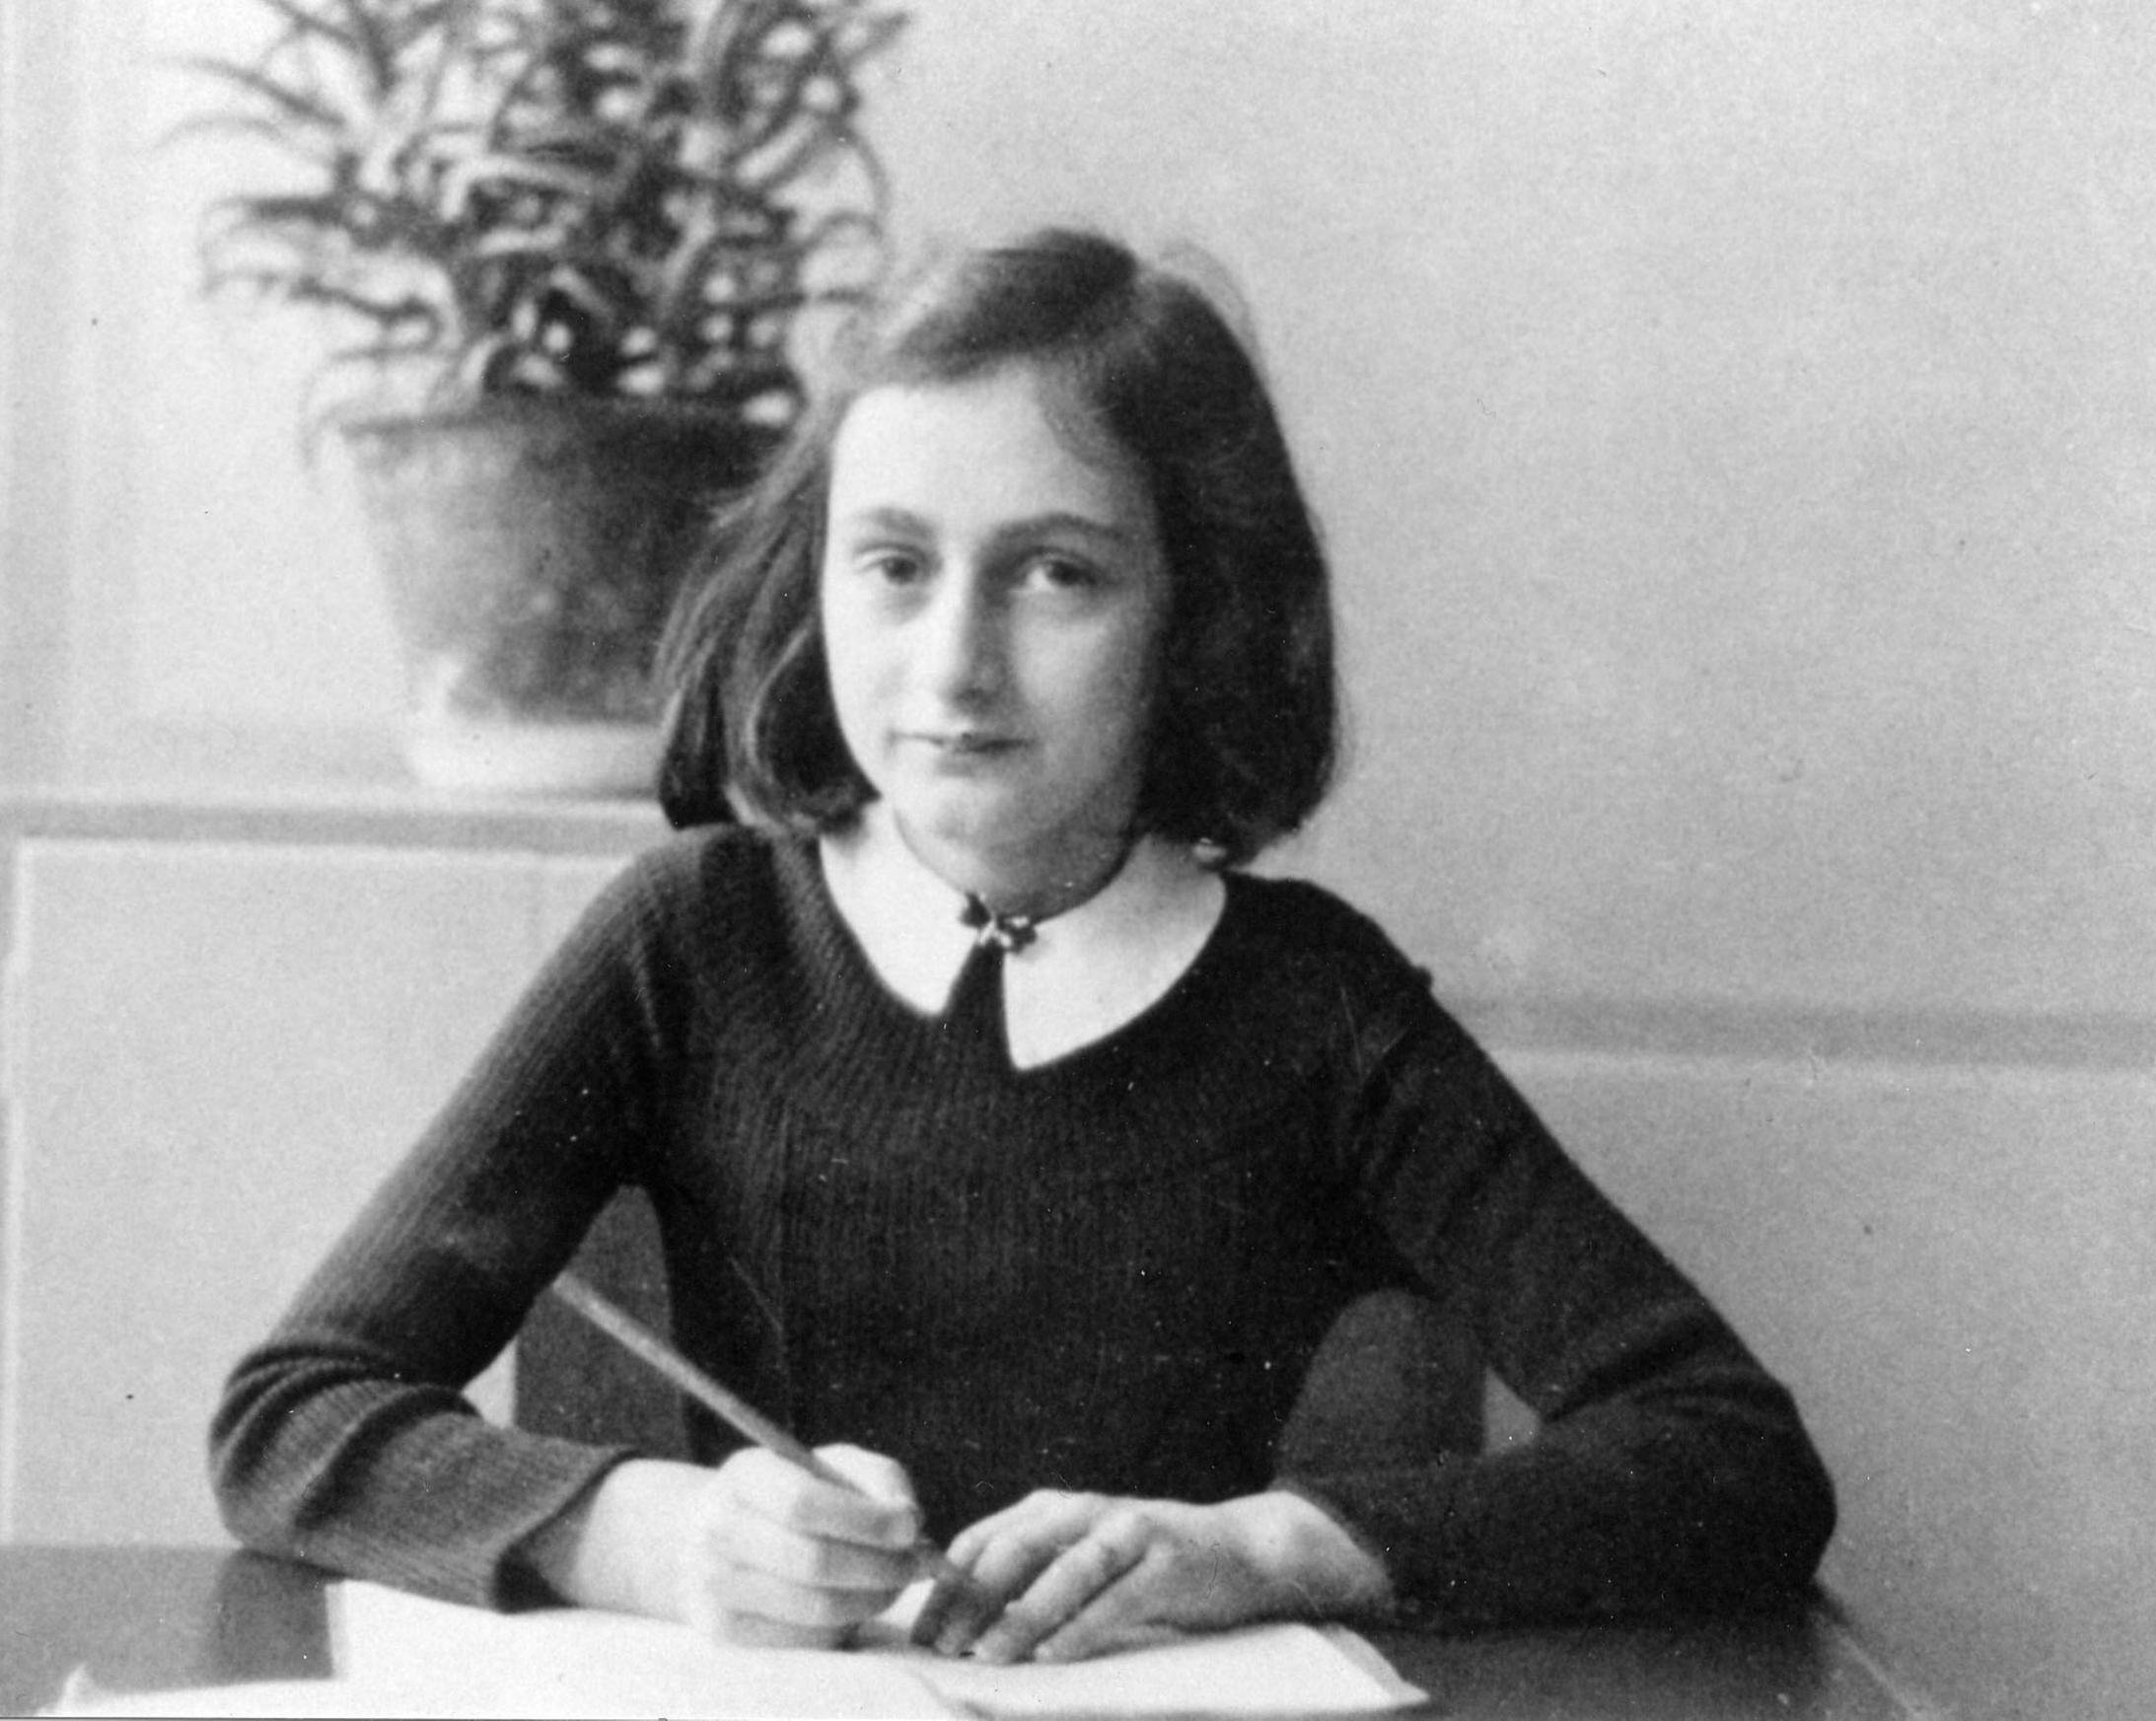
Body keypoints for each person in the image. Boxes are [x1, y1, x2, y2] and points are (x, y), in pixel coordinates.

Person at [210, 228, 1836, 1665]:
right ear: (820, 581)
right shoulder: (694, 935)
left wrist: (1263, 1549)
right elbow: (289, 1415)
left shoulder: (1311, 1006)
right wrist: (647, 1531)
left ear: (1197, 616)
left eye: (1055, 573)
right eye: (896, 566)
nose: (954, 662)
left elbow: (1732, 1455)